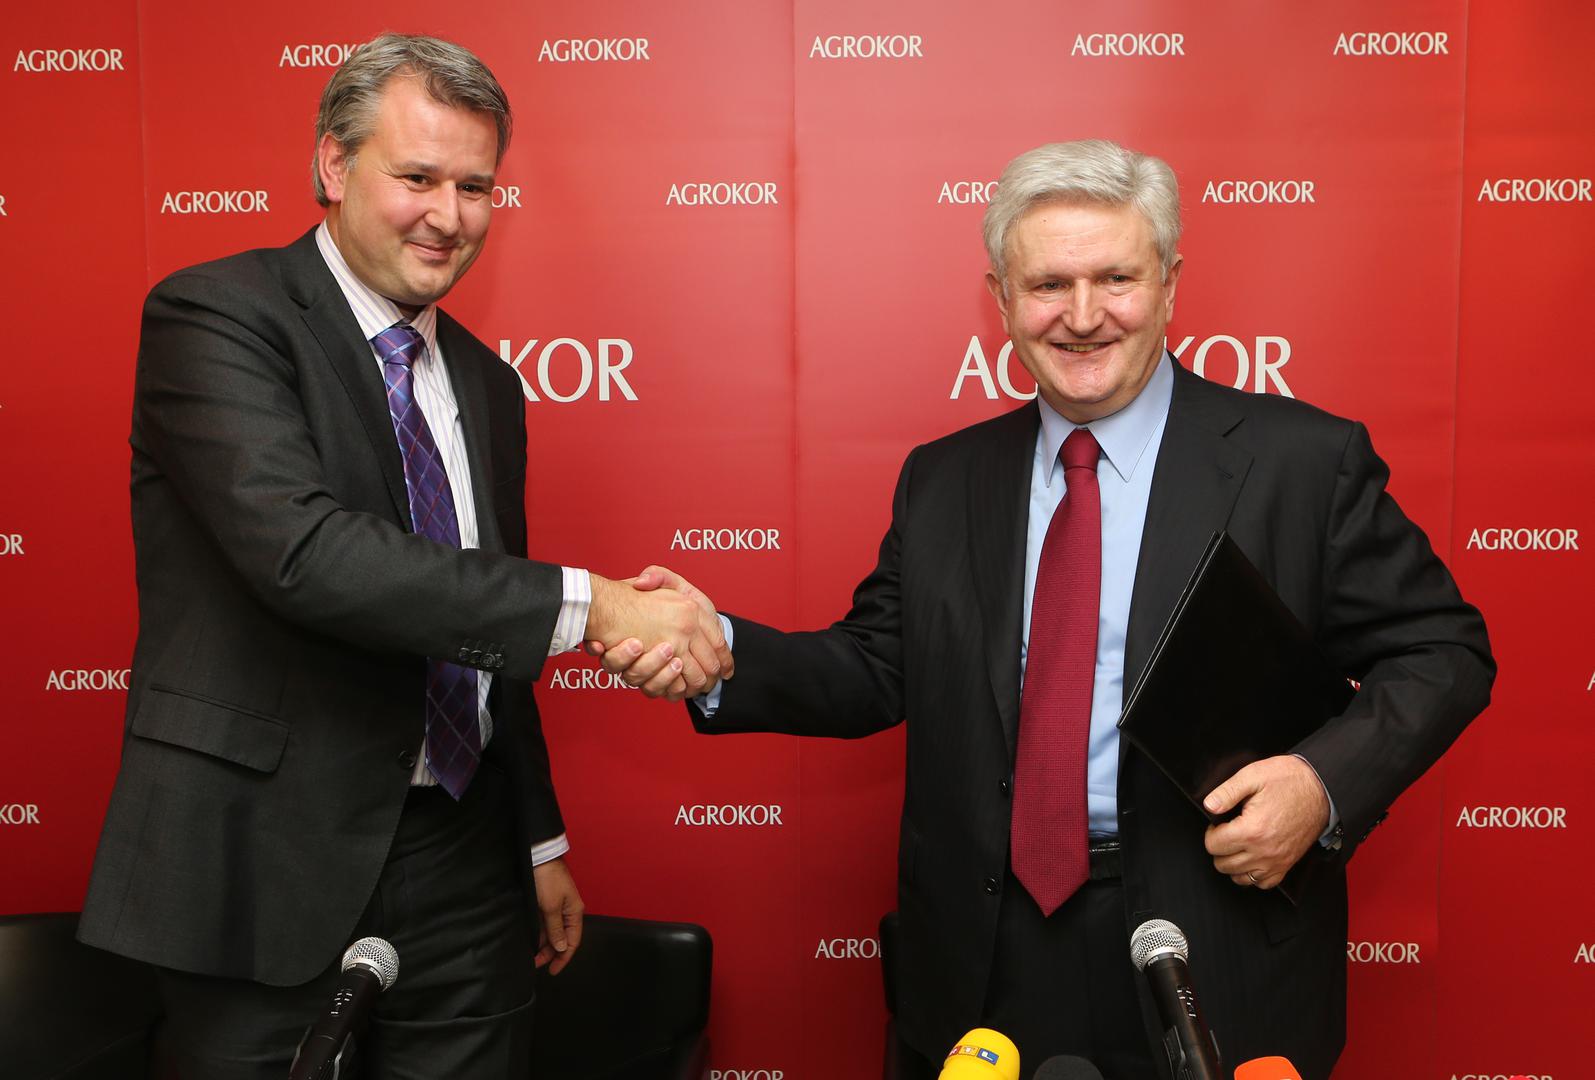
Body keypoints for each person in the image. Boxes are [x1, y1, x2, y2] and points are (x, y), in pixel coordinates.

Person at [597, 140, 1493, 1079]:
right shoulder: (944, 479)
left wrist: (1318, 785)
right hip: (987, 957)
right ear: (1000, 299)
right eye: (1048, 285)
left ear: (1170, 284)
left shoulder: (1302, 462)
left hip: (1216, 941)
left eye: (1116, 278)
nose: (1082, 315)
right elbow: (875, 665)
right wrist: (719, 649)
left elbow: (1443, 651)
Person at [78, 33, 728, 1079]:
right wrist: (601, 606)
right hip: (261, 852)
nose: (449, 215)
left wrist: (537, 838)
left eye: (475, 187)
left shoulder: (487, 383)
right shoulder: (217, 316)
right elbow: (306, 554)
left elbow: (477, 620)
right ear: (334, 165)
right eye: (417, 177)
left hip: (462, 858)